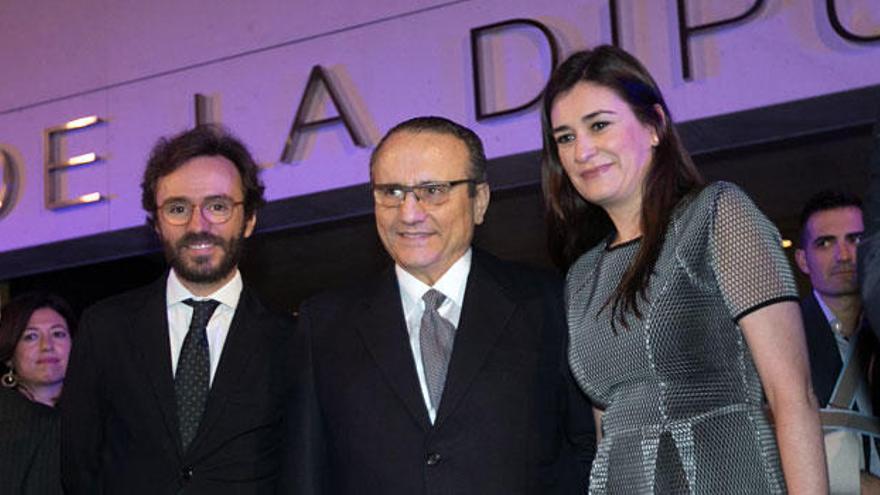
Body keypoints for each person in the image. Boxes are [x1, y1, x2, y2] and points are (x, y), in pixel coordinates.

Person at [541, 45, 827, 493]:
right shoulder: (582, 275)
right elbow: (605, 429)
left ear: (654, 125)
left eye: (599, 125)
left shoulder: (717, 214)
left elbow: (793, 396)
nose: (582, 151)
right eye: (565, 137)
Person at [286, 116, 595, 494]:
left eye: (433, 190)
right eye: (392, 192)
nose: (410, 213)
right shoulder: (324, 325)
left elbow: (589, 454)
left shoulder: (551, 302)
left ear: (479, 200)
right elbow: (306, 476)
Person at [61, 125, 295, 494]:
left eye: (218, 206)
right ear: (156, 224)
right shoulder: (105, 328)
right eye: (178, 208)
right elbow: (79, 467)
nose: (197, 225)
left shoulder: (292, 341)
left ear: (249, 219)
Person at [795, 190, 880, 493]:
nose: (844, 256)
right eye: (825, 243)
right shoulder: (783, 338)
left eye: (855, 239)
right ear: (803, 260)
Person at [0, 291, 76, 495]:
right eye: (31, 336)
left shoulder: (95, 415)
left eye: (58, 334)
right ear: (9, 355)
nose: (47, 346)